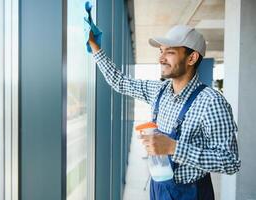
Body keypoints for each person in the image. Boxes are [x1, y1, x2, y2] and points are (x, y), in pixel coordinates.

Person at [87, 24, 240, 200]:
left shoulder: (211, 102)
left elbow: (230, 161)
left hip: (191, 194)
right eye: (161, 51)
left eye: (170, 52)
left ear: (192, 58)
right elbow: (119, 82)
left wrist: (174, 147)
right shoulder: (159, 91)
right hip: (158, 188)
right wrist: (95, 46)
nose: (161, 58)